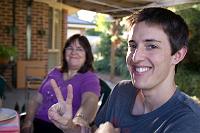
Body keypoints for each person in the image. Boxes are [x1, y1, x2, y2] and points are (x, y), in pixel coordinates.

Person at [48, 7, 200, 133]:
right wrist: (70, 127)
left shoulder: (187, 120)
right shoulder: (122, 91)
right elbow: (95, 130)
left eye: (151, 46)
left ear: (178, 55)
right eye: (133, 46)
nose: (135, 58)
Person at [21, 34, 100, 133]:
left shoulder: (90, 78)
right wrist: (27, 122)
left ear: (87, 55)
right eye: (70, 48)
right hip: (37, 123)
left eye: (79, 49)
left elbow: (90, 101)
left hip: (63, 128)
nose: (73, 52)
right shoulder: (55, 72)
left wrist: (79, 120)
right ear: (64, 52)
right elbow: (36, 99)